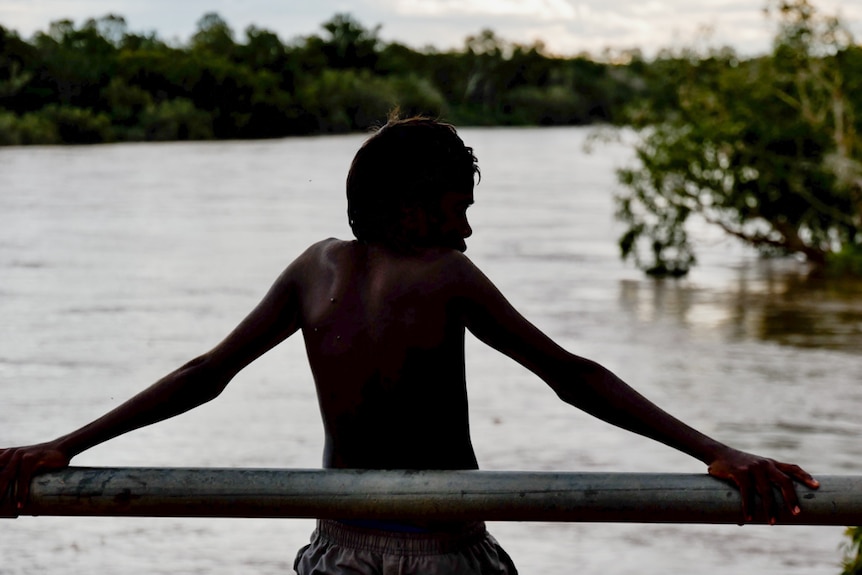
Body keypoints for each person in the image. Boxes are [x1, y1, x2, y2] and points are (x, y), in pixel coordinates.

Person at [0, 115, 819, 574]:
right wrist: (716, 451)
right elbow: (569, 375)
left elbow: (205, 375)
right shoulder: (444, 276)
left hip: (335, 551)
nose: (464, 227)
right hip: (441, 551)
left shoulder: (312, 267)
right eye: (451, 207)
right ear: (400, 204)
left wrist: (65, 444)